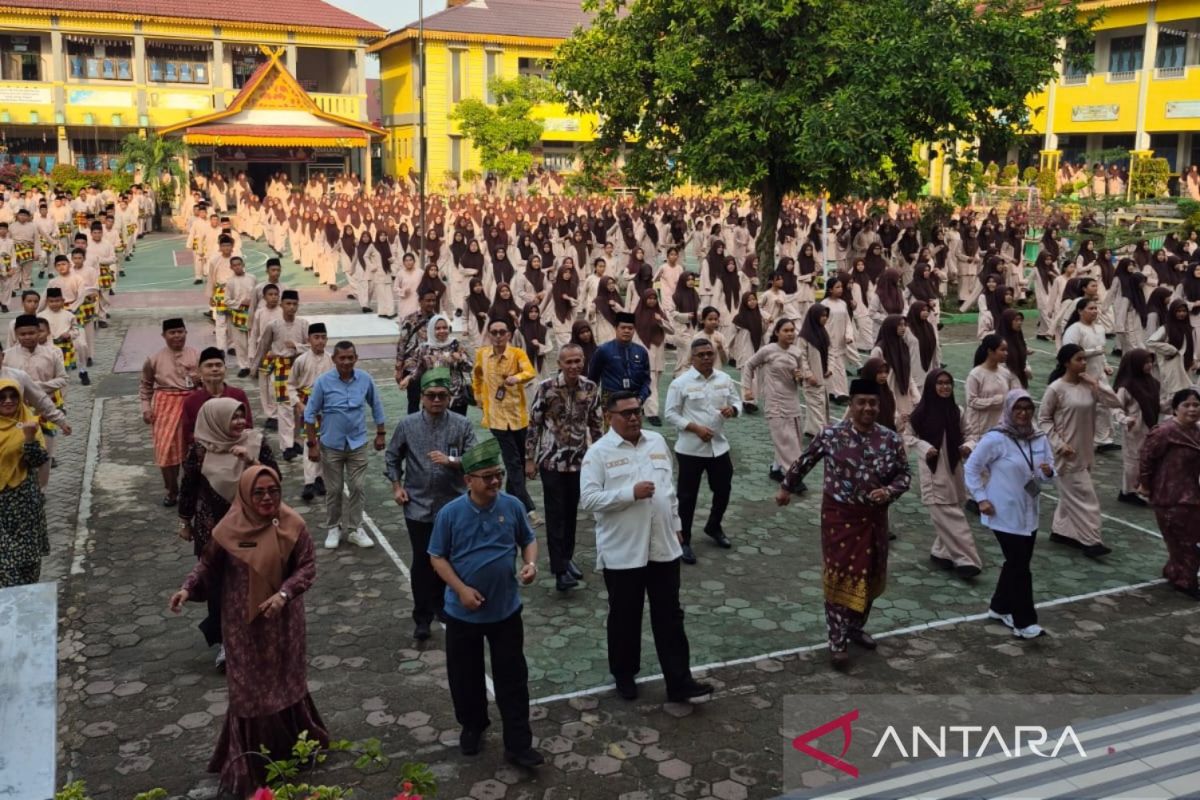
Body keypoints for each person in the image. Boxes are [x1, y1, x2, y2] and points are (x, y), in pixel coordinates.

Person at [169, 466, 326, 799]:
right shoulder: (228, 529)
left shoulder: (292, 525)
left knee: (285, 682)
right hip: (241, 625)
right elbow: (208, 566)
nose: (267, 498)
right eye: (259, 492)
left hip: (284, 624)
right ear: (244, 494)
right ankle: (248, 762)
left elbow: (308, 566)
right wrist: (187, 588)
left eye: (273, 490)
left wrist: (284, 594)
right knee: (248, 692)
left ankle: (294, 748)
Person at [579, 391, 714, 702]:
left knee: (670, 615)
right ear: (608, 417)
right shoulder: (598, 453)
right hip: (623, 550)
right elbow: (589, 500)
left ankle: (679, 682)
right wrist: (630, 493)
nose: (633, 417)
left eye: (636, 411)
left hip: (663, 544)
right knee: (625, 616)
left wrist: (678, 526)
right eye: (625, 413)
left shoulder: (656, 442)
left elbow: (668, 490)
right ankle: (624, 674)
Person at [775, 378, 911, 671]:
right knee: (841, 577)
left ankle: (854, 627)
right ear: (850, 404)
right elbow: (805, 461)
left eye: (872, 403)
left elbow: (904, 475)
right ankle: (837, 642)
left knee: (871, 574)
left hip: (875, 519)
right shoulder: (831, 435)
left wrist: (888, 492)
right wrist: (787, 487)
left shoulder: (890, 439)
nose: (867, 408)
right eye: (861, 402)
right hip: (840, 519)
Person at [428, 438, 544, 769]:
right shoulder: (451, 514)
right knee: (465, 677)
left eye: (498, 475)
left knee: (513, 677)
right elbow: (436, 557)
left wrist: (531, 564)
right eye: (487, 477)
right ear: (468, 480)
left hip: (506, 609)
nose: (495, 482)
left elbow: (529, 540)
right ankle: (473, 726)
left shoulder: (512, 506)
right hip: (461, 611)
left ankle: (519, 744)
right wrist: (461, 590)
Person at [178, 399, 278, 670]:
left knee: (251, 584)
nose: (238, 423)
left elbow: (273, 479)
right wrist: (185, 521)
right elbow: (187, 488)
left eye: (241, 417)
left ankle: (255, 638)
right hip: (212, 531)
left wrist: (251, 461)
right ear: (215, 420)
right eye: (232, 417)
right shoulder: (199, 451)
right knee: (219, 588)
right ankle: (225, 643)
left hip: (251, 527)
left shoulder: (255, 442)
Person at [385, 367, 476, 640]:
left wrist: (451, 462)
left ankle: (443, 606)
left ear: (450, 397)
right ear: (422, 397)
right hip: (418, 506)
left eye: (442, 395)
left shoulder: (462, 425)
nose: (436, 400)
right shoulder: (408, 425)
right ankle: (422, 616)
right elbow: (391, 457)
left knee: (449, 559)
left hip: (453, 505)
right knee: (423, 562)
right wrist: (397, 487)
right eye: (431, 395)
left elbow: (474, 459)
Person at [964, 390, 1057, 639]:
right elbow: (971, 468)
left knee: (1017, 563)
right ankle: (1023, 621)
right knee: (1020, 567)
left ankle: (1000, 606)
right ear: (1009, 410)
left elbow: (1047, 474)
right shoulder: (996, 438)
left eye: (1028, 408)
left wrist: (1048, 473)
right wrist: (981, 498)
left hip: (1030, 512)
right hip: (1002, 512)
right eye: (1018, 408)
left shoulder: (1039, 438)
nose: (1023, 414)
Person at [526, 344, 603, 591]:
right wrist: (529, 458)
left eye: (578, 361)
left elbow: (596, 424)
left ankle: (566, 559)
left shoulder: (590, 388)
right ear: (559, 363)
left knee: (571, 514)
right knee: (555, 514)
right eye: (568, 362)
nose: (574, 366)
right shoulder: (546, 388)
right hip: (552, 461)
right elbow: (534, 425)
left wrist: (601, 457)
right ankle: (560, 571)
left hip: (579, 462)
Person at [1038, 344, 1123, 558]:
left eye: (1085, 359)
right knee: (1086, 498)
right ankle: (1091, 540)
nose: (1084, 363)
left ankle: (1061, 531)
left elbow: (1115, 402)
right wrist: (1059, 444)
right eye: (1079, 359)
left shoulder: (1089, 385)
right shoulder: (1056, 389)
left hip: (1086, 450)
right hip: (1066, 454)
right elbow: (1044, 419)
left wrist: (1096, 383)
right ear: (1066, 362)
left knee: (1071, 495)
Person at [664, 338, 741, 564]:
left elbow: (737, 402)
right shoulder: (681, 383)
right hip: (690, 449)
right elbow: (670, 413)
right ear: (692, 358)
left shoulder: (724, 379)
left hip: (719, 446)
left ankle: (713, 526)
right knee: (687, 497)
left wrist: (733, 410)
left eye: (710, 353)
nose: (707, 358)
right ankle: (683, 540)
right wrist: (695, 428)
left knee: (723, 489)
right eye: (702, 355)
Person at [303, 341, 386, 550]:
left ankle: (356, 528)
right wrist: (312, 444)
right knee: (334, 489)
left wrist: (381, 434)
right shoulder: (323, 382)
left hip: (358, 444)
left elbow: (376, 405)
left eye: (350, 358)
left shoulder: (365, 379)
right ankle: (334, 527)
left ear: (356, 358)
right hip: (331, 445)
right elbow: (309, 414)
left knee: (358, 487)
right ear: (334, 359)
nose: (347, 362)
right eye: (342, 358)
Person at [904, 370, 981, 579]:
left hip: (955, 469)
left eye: (948, 383)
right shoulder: (919, 414)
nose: (945, 387)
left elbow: (971, 433)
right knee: (949, 513)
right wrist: (925, 447)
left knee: (952, 508)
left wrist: (968, 445)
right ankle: (967, 559)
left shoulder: (957, 411)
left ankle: (942, 552)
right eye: (940, 383)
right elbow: (908, 437)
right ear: (931, 386)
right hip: (933, 470)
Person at [472, 317, 539, 522]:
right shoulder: (482, 355)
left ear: (509, 335)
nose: (499, 336)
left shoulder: (517, 354)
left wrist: (516, 378)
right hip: (496, 419)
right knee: (513, 463)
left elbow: (530, 372)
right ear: (489, 334)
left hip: (518, 417)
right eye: (494, 332)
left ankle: (510, 502)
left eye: (502, 332)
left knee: (517, 461)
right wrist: (478, 397)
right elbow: (476, 375)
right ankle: (529, 510)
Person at [1137, 387, 1200, 600]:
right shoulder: (1165, 431)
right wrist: (1145, 484)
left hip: (1191, 493)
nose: (1192, 409)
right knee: (1187, 541)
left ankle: (1175, 571)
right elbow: (1147, 457)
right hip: (1171, 495)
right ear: (1175, 409)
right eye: (1187, 405)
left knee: (1182, 539)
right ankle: (1186, 580)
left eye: (1196, 405)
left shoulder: (1196, 432)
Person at [139, 318, 199, 506]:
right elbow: (146, 386)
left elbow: (211, 380)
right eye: (172, 332)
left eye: (180, 331)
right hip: (164, 407)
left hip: (192, 405)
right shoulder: (153, 359)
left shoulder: (197, 355)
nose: (177, 336)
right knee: (165, 454)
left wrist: (199, 379)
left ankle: (191, 491)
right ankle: (172, 491)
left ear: (186, 333)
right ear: (164, 336)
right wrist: (146, 408)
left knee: (193, 452)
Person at [743, 318, 805, 483]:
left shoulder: (797, 352)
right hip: (774, 400)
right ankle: (793, 476)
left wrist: (800, 377)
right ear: (777, 332)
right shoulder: (768, 350)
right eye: (786, 330)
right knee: (784, 437)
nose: (790, 333)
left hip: (792, 399)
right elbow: (749, 365)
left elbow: (801, 377)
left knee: (794, 437)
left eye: (792, 330)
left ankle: (776, 468)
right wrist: (747, 389)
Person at [0, 379, 49, 588]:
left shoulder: (28, 422)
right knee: (7, 567)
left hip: (25, 503)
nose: (8, 401)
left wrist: (29, 439)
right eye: (2, 397)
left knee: (28, 563)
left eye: (13, 397)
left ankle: (25, 611)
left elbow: (38, 461)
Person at [252, 289, 308, 460]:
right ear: (282, 305)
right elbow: (263, 347)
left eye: (294, 304)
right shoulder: (274, 325)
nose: (291, 307)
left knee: (299, 407)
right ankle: (287, 446)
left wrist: (297, 346)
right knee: (284, 408)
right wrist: (255, 367)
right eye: (288, 304)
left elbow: (311, 346)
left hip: (299, 367)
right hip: (281, 367)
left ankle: (298, 442)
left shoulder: (303, 324)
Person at [287, 324, 333, 502]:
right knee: (309, 440)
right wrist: (297, 403)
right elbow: (290, 384)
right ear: (309, 340)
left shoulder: (331, 359)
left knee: (325, 440)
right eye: (316, 337)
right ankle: (309, 481)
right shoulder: (301, 360)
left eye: (323, 337)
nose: (320, 341)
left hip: (328, 405)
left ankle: (320, 478)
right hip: (307, 403)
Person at [1112, 349, 1161, 506]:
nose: (1149, 365)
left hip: (1150, 425)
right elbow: (1115, 407)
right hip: (1134, 428)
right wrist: (1124, 419)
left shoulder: (1152, 383)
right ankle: (1128, 491)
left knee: (1146, 459)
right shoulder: (1126, 386)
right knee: (1132, 460)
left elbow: (1157, 405)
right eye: (1145, 362)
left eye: (1150, 362)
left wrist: (1174, 406)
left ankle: (1141, 488)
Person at [402, 314, 474, 416]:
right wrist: (408, 378)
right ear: (431, 330)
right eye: (438, 328)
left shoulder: (456, 344)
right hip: (433, 398)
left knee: (456, 429)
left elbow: (469, 367)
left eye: (445, 328)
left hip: (456, 399)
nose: (442, 331)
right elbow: (419, 369)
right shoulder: (424, 349)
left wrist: (461, 359)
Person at [587, 311, 653, 421]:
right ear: (616, 328)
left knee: (633, 433)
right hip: (611, 401)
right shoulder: (603, 350)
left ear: (634, 330)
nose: (626, 331)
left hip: (634, 400)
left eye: (630, 328)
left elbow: (646, 381)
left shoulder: (641, 352)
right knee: (612, 435)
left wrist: (640, 399)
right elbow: (592, 380)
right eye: (623, 327)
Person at [181, 347, 253, 445]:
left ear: (225, 369)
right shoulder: (191, 401)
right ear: (199, 371)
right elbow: (187, 434)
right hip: (205, 453)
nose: (215, 369)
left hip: (236, 450)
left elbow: (248, 427)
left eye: (219, 365)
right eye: (209, 366)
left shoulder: (238, 395)